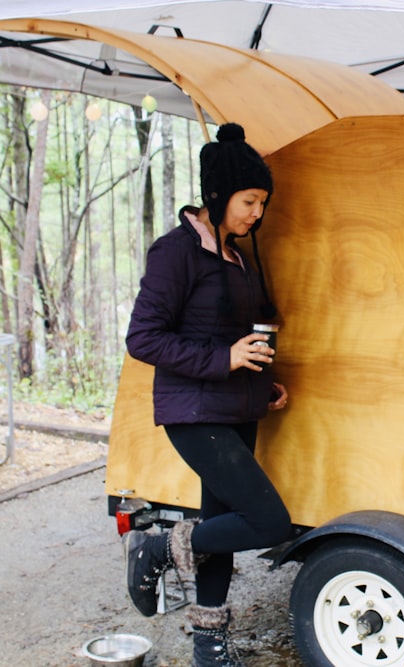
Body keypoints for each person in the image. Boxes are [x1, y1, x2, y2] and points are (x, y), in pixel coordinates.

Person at [123, 122, 292, 667]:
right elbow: (143, 338)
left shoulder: (239, 257)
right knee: (269, 522)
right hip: (194, 412)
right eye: (249, 201)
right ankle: (156, 546)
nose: (256, 214)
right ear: (219, 196)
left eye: (262, 203)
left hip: (237, 408)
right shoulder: (176, 253)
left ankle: (209, 643)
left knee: (219, 524)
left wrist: (262, 383)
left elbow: (235, 337)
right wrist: (224, 360)